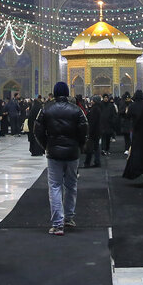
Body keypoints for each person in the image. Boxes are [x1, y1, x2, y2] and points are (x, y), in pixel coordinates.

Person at [34, 81, 88, 235]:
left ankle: (58, 224)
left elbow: (37, 130)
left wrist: (46, 145)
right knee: (71, 185)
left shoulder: (46, 109)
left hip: (54, 153)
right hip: (72, 153)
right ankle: (68, 218)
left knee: (55, 186)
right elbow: (84, 130)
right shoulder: (76, 110)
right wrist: (79, 146)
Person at [83, 95, 103, 168]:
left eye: (92, 100)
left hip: (93, 132)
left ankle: (87, 162)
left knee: (90, 148)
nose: (91, 101)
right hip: (97, 131)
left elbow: (92, 122)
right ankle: (97, 161)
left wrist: (89, 132)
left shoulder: (94, 109)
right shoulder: (98, 108)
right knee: (96, 147)